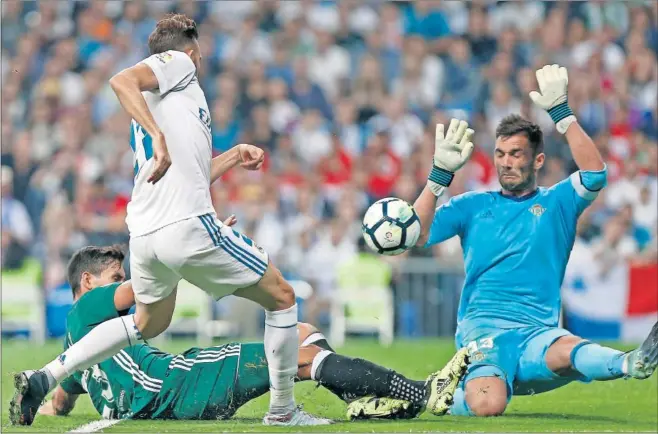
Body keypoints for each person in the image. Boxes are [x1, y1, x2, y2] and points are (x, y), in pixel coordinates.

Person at [13, 13, 325, 426]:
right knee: (283, 298)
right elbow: (121, 80)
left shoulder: (163, 106)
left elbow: (184, 172)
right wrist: (160, 138)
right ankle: (283, 411)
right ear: (192, 51)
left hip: (147, 234)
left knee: (144, 322)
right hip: (186, 224)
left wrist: (232, 156)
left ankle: (45, 375)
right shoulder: (180, 65)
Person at [358, 64, 658, 419]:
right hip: (483, 333)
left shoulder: (557, 202)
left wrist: (562, 115)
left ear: (538, 160)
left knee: (569, 349)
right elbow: (417, 234)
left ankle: (632, 362)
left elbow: (594, 174)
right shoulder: (471, 206)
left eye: (516, 154)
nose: (506, 163)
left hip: (539, 335)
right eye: (500, 154)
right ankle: (423, 395)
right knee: (488, 406)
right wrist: (438, 176)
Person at [13, 245, 468, 423]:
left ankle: (362, 400)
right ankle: (420, 390)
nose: (122, 284)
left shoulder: (73, 350)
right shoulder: (88, 305)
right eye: (114, 276)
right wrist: (202, 250)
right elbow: (148, 285)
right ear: (88, 284)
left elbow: (61, 402)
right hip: (178, 382)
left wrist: (51, 405)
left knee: (303, 340)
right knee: (300, 342)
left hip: (165, 401)